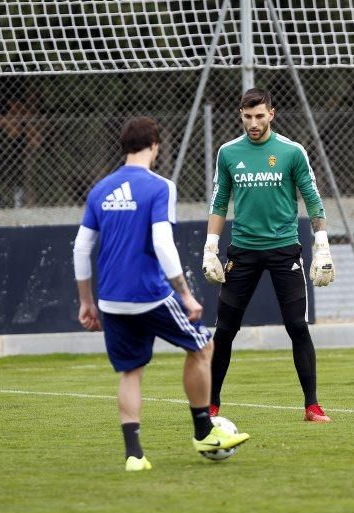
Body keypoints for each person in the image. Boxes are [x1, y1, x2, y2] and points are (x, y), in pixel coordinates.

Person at [73, 116, 250, 471]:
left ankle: (134, 456)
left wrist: (87, 302)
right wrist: (185, 294)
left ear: (124, 147)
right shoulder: (160, 187)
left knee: (131, 372)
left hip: (110, 299)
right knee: (202, 345)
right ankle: (204, 431)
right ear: (155, 145)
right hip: (149, 295)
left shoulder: (100, 190)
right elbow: (162, 243)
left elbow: (80, 248)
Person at [202, 88, 336, 422]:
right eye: (248, 117)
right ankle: (212, 404)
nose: (254, 123)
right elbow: (219, 203)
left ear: (272, 114)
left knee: (296, 326)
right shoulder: (228, 153)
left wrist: (321, 245)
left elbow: (313, 198)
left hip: (283, 250)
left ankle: (312, 406)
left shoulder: (292, 152)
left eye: (260, 116)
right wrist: (210, 249)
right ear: (240, 115)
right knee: (225, 330)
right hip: (243, 251)